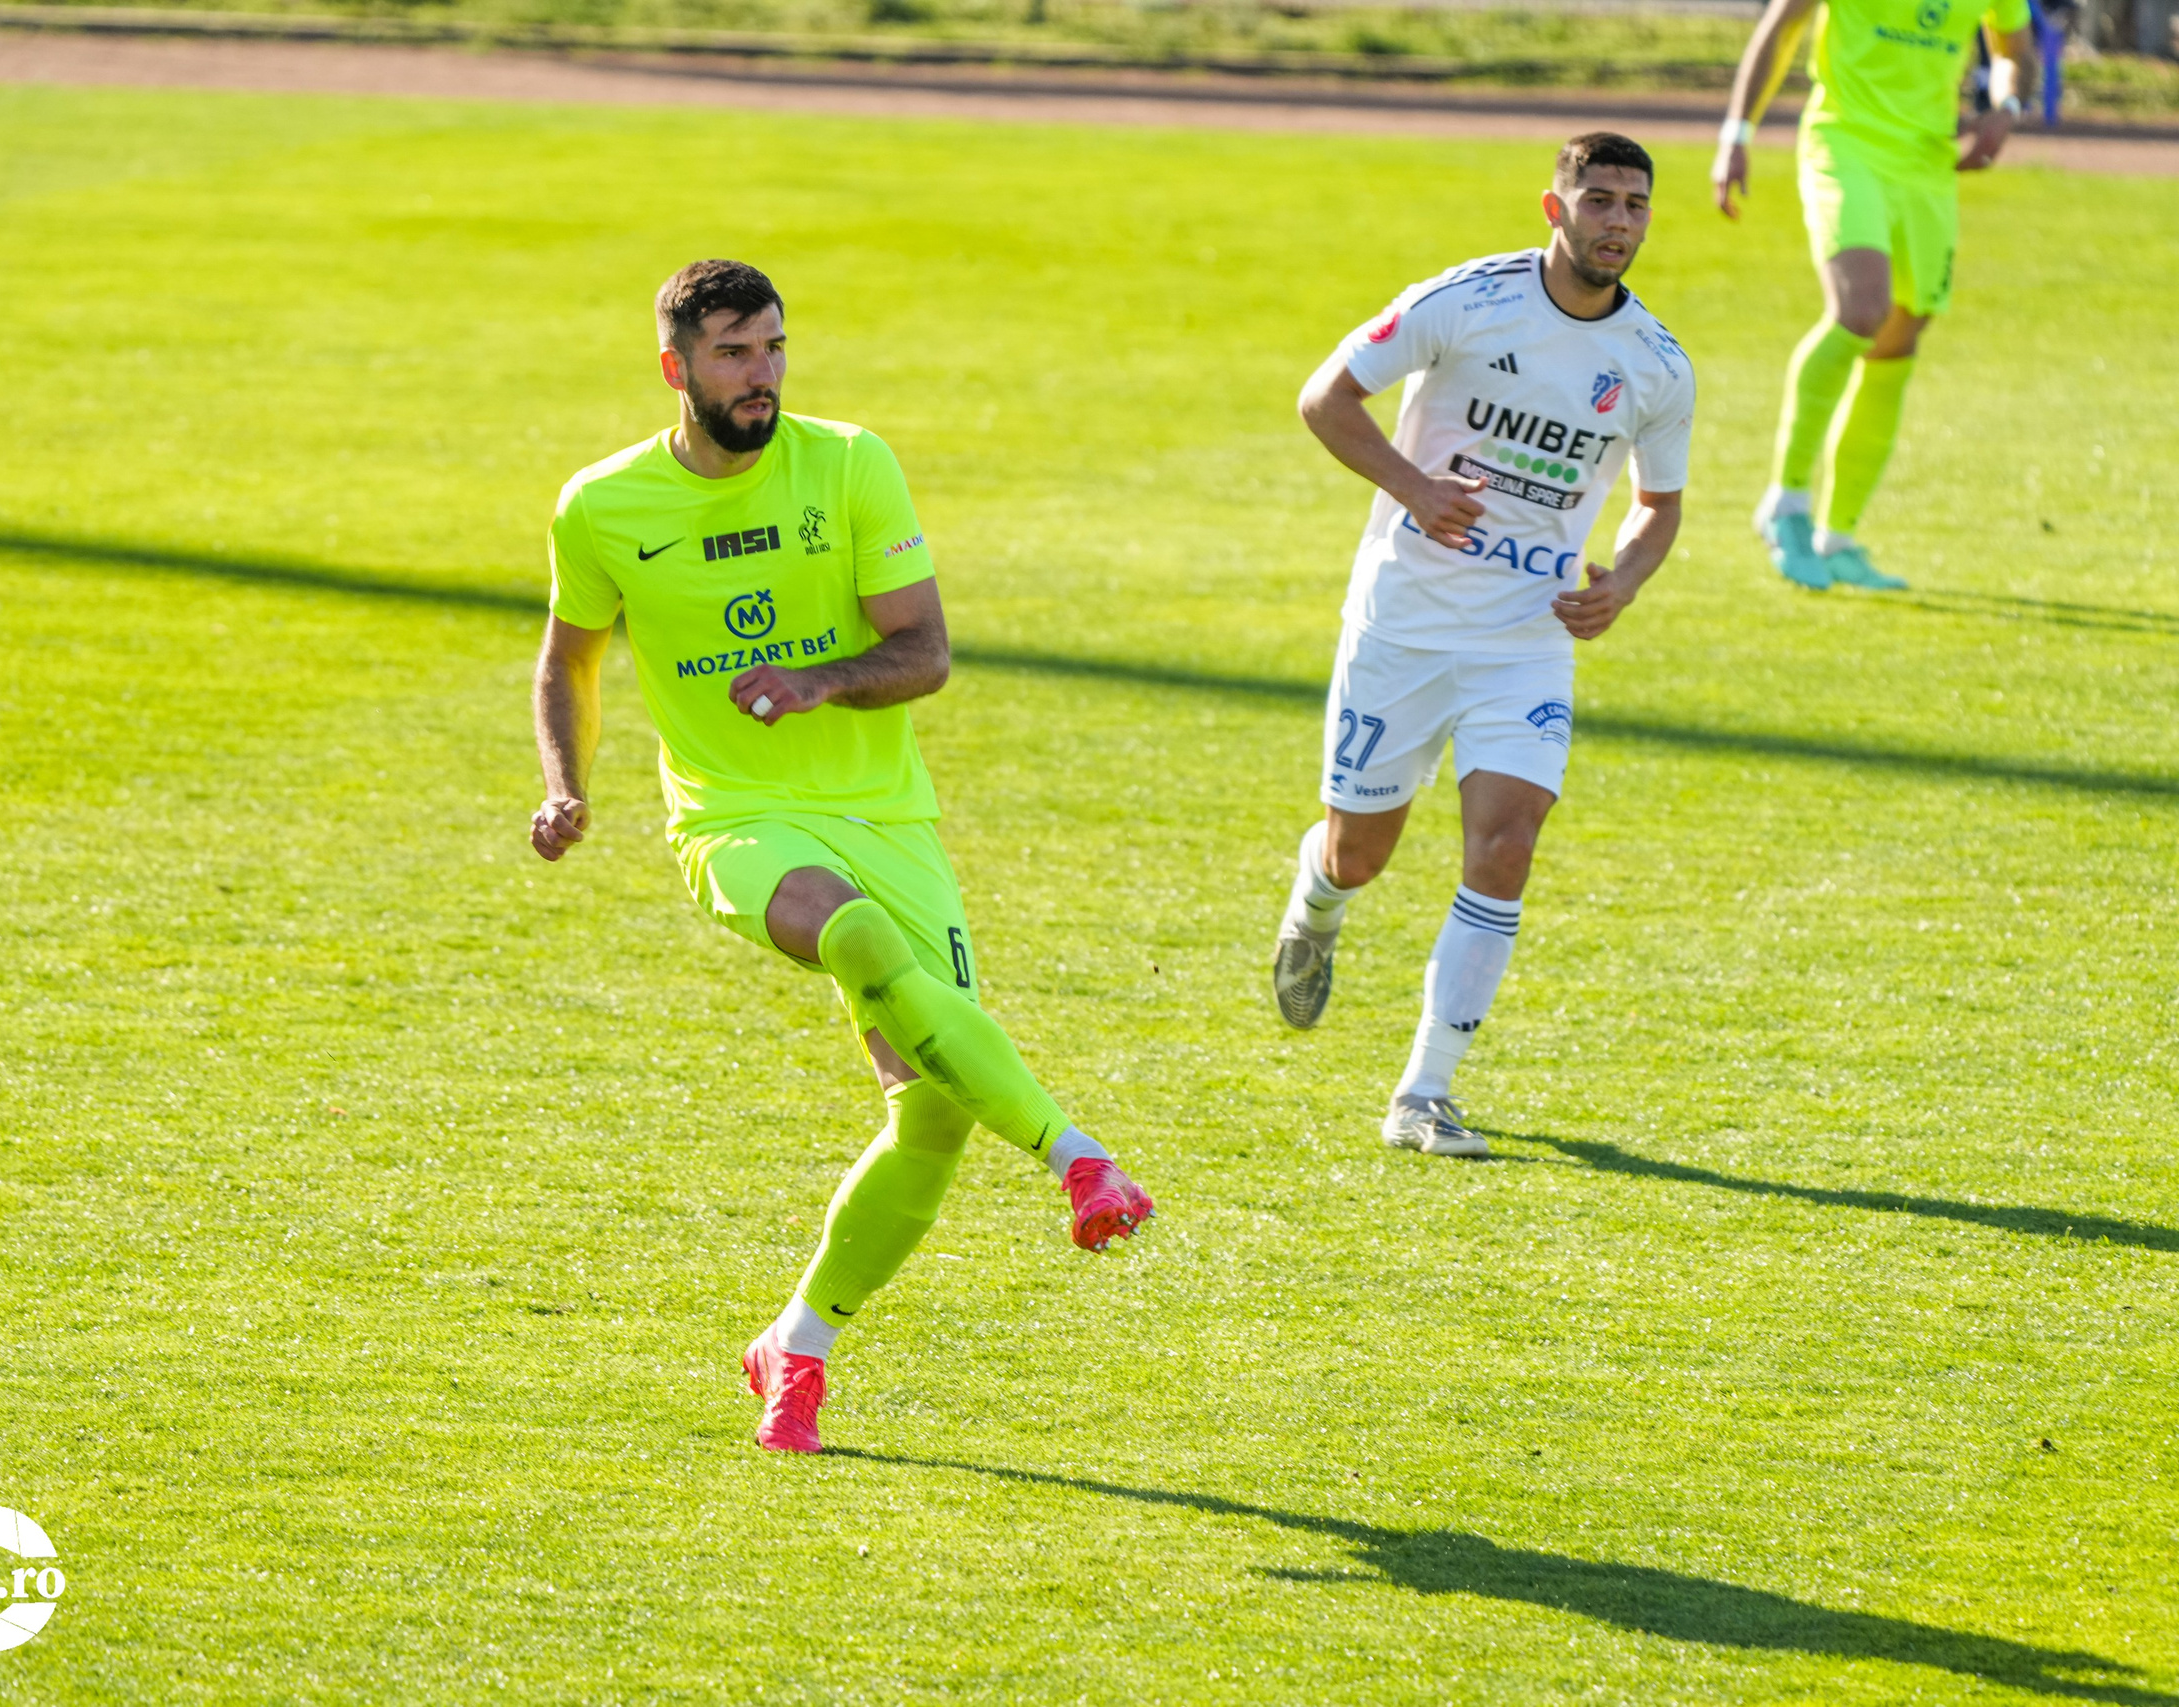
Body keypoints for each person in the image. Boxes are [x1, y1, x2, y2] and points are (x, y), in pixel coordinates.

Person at [530, 260, 1155, 1453]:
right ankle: (1082, 1161)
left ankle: (797, 1346)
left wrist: (816, 682)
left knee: (931, 1117)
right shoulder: (601, 506)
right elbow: (568, 662)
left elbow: (922, 653)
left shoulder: (852, 461)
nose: (759, 375)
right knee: (845, 930)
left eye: (771, 349)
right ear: (676, 370)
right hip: (732, 815)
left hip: (886, 814)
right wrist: (567, 788)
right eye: (730, 355)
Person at [1271, 134, 1695, 1158]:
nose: (1618, 223)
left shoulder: (1655, 365)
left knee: (1505, 845)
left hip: (1526, 640)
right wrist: (1413, 487)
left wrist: (1623, 582)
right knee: (1360, 852)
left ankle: (1424, 1092)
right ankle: (1316, 899)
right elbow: (1324, 397)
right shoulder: (1462, 301)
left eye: (1635, 206)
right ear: (1553, 210)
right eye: (1598, 201)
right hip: (1403, 625)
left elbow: (1658, 505)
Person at [1716, 0, 2034, 590]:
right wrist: (1737, 134)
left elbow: (2016, 50)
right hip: (1845, 143)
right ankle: (1784, 503)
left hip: (1928, 166)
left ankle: (1838, 538)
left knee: (1898, 339)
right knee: (1861, 311)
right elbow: (1782, 26)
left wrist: (2005, 107)